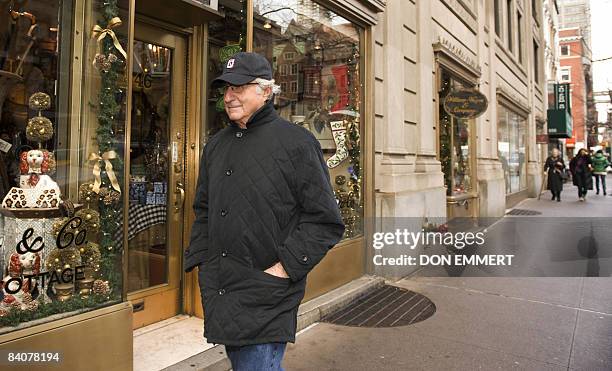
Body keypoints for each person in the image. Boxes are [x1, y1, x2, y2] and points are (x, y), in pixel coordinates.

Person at [183, 52, 345, 371]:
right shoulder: (215, 146)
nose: (228, 97)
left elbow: (325, 222)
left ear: (266, 91)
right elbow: (203, 209)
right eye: (225, 89)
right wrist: (203, 259)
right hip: (222, 286)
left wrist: (284, 268)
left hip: (268, 290)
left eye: (238, 87)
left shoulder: (297, 143)